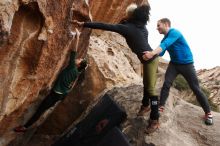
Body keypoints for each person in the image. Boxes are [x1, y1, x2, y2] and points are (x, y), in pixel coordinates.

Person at [72, 3, 159, 133]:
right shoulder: (141, 28)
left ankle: (155, 119)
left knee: (151, 90)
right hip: (149, 59)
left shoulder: (127, 28)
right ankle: (145, 106)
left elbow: (106, 26)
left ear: (131, 16)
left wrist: (84, 24)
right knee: (147, 84)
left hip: (151, 60)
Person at [14, 28, 88, 132]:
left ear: (79, 64)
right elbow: (81, 66)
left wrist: (78, 36)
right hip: (61, 95)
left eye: (79, 60)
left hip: (55, 94)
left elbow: (74, 51)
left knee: (40, 110)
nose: (77, 59)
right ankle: (26, 126)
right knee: (42, 110)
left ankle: (25, 127)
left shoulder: (72, 67)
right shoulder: (77, 72)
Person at [142, 18, 213, 125]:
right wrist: (151, 52)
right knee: (166, 83)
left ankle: (208, 113)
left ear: (166, 24)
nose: (157, 28)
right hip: (174, 65)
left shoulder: (175, 33)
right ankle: (161, 107)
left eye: (158, 25)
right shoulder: (164, 39)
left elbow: (165, 45)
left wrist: (151, 54)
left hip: (187, 64)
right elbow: (161, 52)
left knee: (195, 88)